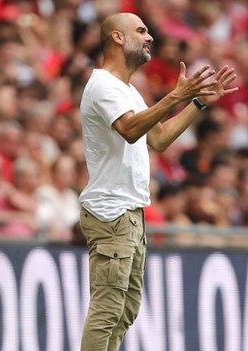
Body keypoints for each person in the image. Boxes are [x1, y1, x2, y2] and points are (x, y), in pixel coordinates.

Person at [78, 13, 237, 351]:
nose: (149, 37)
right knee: (108, 310)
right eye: (141, 30)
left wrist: (197, 103)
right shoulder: (103, 84)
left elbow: (160, 137)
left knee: (125, 311)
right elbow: (131, 130)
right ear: (118, 38)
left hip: (130, 212)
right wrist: (176, 96)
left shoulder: (126, 89)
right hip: (111, 213)